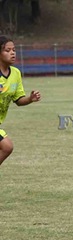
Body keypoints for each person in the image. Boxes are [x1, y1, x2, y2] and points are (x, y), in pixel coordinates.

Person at [0, 36, 41, 166]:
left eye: (14, 50)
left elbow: (18, 100)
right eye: (7, 50)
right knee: (7, 147)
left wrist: (29, 99)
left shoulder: (16, 73)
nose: (12, 53)